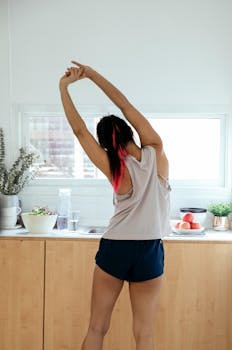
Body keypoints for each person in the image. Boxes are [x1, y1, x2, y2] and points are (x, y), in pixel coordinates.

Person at [59, 60, 171, 350]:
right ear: (129, 131)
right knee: (144, 335)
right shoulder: (156, 152)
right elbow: (126, 106)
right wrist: (93, 75)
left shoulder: (113, 166)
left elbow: (79, 131)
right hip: (150, 249)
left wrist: (64, 86)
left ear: (106, 144)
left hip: (116, 247)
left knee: (97, 327)